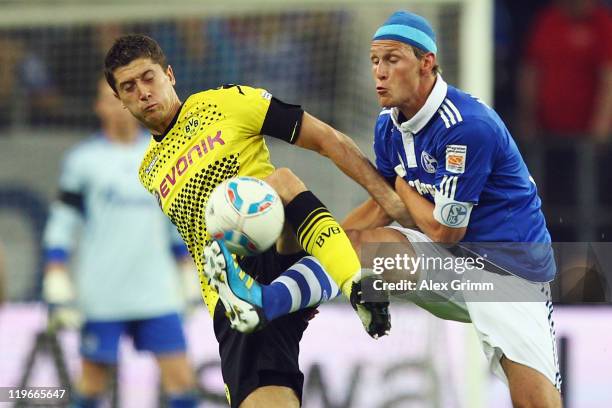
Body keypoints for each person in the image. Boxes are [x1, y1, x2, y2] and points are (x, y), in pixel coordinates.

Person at [103, 34, 407, 408]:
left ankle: (354, 284)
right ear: (119, 100)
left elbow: (326, 139)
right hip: (228, 292)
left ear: (170, 74)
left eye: (148, 78)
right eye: (129, 87)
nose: (143, 92)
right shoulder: (148, 170)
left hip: (277, 239)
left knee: (280, 182)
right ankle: (289, 292)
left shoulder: (228, 103)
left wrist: (388, 197)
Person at [341, 11, 562, 407]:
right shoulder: (386, 127)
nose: (380, 72)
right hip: (448, 265)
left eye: (392, 60)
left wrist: (403, 187)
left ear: (427, 63)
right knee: (357, 244)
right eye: (375, 61)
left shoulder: (467, 126)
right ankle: (351, 295)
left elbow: (446, 230)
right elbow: (383, 207)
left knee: (536, 404)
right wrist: (318, 245)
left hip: (509, 272)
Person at [42, 78, 199, 408]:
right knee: (92, 385)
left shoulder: (163, 153)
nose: (118, 105)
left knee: (182, 381)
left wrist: (187, 269)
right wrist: (55, 271)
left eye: (123, 97)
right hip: (103, 294)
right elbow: (63, 220)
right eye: (109, 99)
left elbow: (174, 221)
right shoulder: (83, 161)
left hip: (156, 292)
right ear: (98, 107)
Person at [518, 0, 612, 142]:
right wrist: (527, 116)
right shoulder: (548, 21)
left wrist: (602, 123)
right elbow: (531, 71)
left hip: (587, 133)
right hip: (547, 130)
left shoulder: (602, 23)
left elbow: (608, 77)